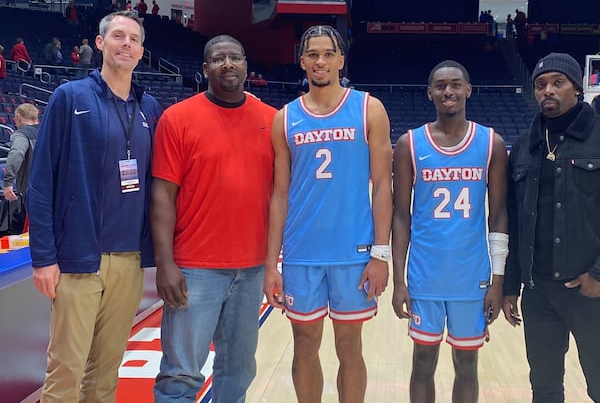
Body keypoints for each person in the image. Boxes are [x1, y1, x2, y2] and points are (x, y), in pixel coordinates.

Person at [502, 52, 600, 403]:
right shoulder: (525, 146)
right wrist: (511, 285)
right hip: (538, 292)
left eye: (558, 83)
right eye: (540, 85)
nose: (547, 91)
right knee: (543, 385)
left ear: (577, 88)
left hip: (590, 290)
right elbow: (511, 221)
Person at [26, 9, 160, 403]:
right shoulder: (70, 98)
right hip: (78, 259)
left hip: (130, 259)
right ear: (100, 43)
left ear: (141, 52)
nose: (126, 45)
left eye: (134, 40)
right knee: (66, 367)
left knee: (106, 370)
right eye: (118, 36)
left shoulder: (149, 107)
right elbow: (41, 182)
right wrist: (43, 257)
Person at [264, 25, 392, 403]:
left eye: (327, 54)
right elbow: (280, 193)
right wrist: (272, 265)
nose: (320, 61)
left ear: (340, 59)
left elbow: (384, 185)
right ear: (301, 60)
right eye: (312, 54)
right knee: (304, 345)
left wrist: (380, 254)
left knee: (349, 346)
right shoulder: (284, 118)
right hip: (302, 252)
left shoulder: (369, 108)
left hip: (353, 252)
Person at [152, 35, 277, 402]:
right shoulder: (177, 119)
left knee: (238, 370)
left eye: (234, 57)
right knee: (181, 373)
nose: (227, 64)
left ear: (246, 66)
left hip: (251, 267)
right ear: (205, 68)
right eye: (217, 58)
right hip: (194, 268)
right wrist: (165, 264)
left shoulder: (271, 121)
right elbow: (162, 196)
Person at [391, 60, 508, 402]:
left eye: (456, 84)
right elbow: (400, 217)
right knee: (423, 361)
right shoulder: (409, 144)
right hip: (425, 276)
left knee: (467, 363)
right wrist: (399, 282)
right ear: (429, 93)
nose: (448, 91)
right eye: (440, 85)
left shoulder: (491, 143)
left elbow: (498, 215)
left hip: (472, 277)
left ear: (468, 90)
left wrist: (498, 280)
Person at [3, 103, 39, 202]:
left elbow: (17, 153)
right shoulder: (48, 132)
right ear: (37, 119)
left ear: (17, 117)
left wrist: (8, 182)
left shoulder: (21, 134)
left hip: (32, 193)